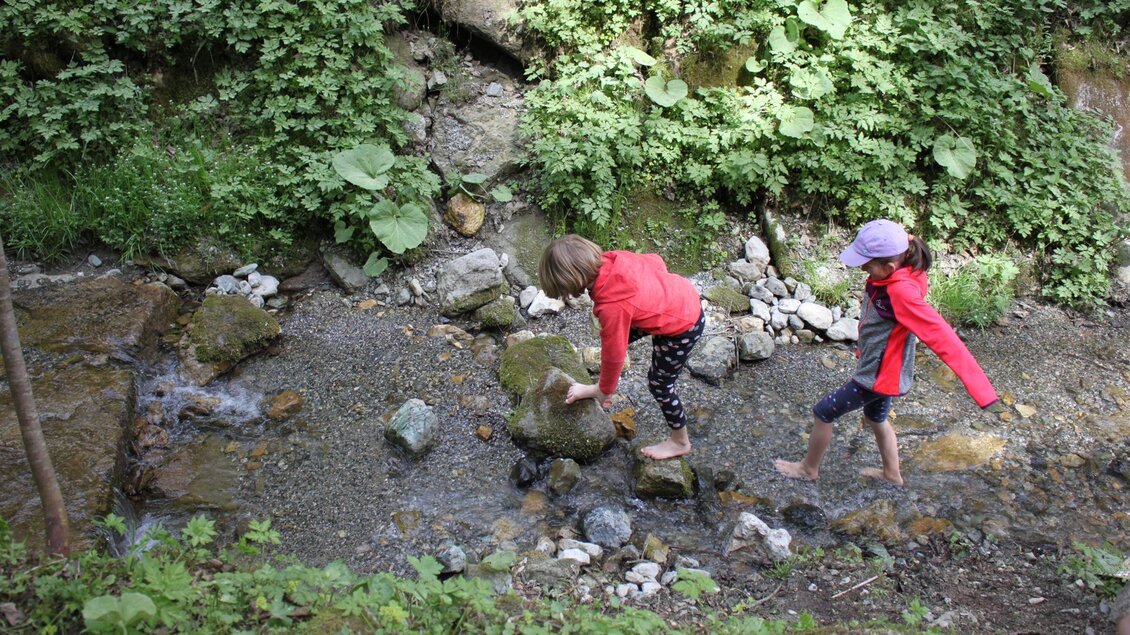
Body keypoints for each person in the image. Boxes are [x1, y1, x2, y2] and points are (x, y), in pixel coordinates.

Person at [773, 219, 999, 486]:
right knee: (875, 418)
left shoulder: (902, 292)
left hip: (878, 376)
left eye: (867, 266)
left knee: (823, 412)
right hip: (885, 371)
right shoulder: (901, 262)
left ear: (890, 267)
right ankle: (892, 475)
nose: (863, 270)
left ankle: (808, 469)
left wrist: (982, 390)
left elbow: (943, 338)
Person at [539, 235, 705, 460]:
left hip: (683, 326)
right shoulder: (613, 259)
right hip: (681, 294)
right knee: (613, 338)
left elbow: (615, 356)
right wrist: (656, 295)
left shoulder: (612, 306)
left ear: (571, 281)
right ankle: (603, 386)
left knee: (659, 384)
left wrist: (604, 390)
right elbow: (655, 261)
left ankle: (680, 442)